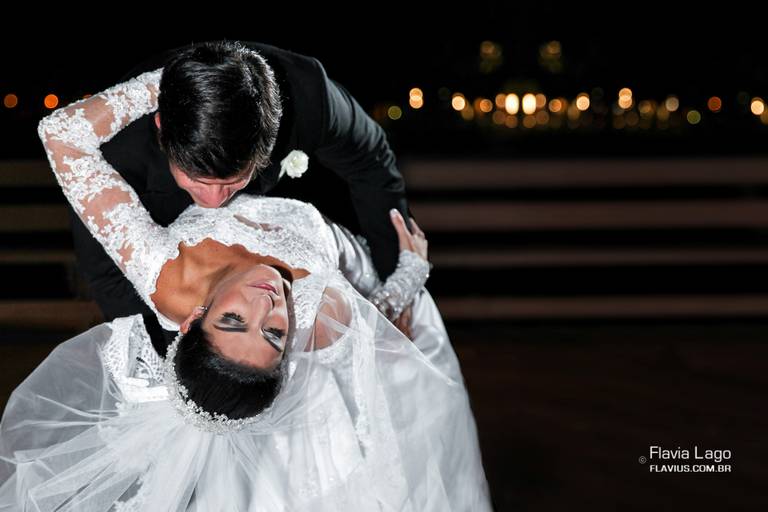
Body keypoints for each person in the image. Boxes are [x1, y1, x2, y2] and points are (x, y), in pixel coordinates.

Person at [0, 66, 492, 509]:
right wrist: (410, 269)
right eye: (274, 335)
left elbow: (61, 134)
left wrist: (173, 87)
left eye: (233, 320)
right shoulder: (317, 321)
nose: (267, 303)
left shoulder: (164, 271)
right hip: (367, 276)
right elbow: (385, 328)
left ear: (192, 318)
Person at [69, 39, 413, 341]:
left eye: (233, 181)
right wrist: (173, 360)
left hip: (296, 247)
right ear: (161, 130)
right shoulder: (115, 147)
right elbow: (106, 273)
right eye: (197, 181)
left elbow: (373, 166)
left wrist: (395, 276)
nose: (215, 200)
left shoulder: (309, 95)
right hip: (188, 280)